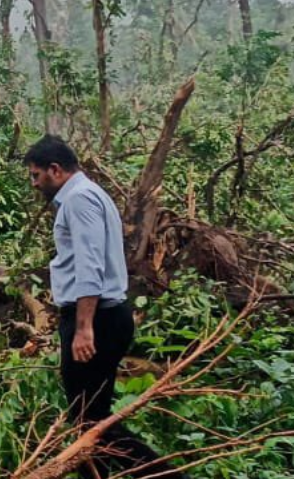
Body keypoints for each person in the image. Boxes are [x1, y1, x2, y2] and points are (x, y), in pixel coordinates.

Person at [24, 135, 188, 479]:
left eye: (36, 175)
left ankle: (169, 476)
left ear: (55, 170)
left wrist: (84, 328)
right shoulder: (89, 194)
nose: (35, 183)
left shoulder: (79, 200)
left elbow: (90, 266)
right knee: (88, 421)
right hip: (104, 314)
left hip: (97, 318)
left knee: (93, 425)